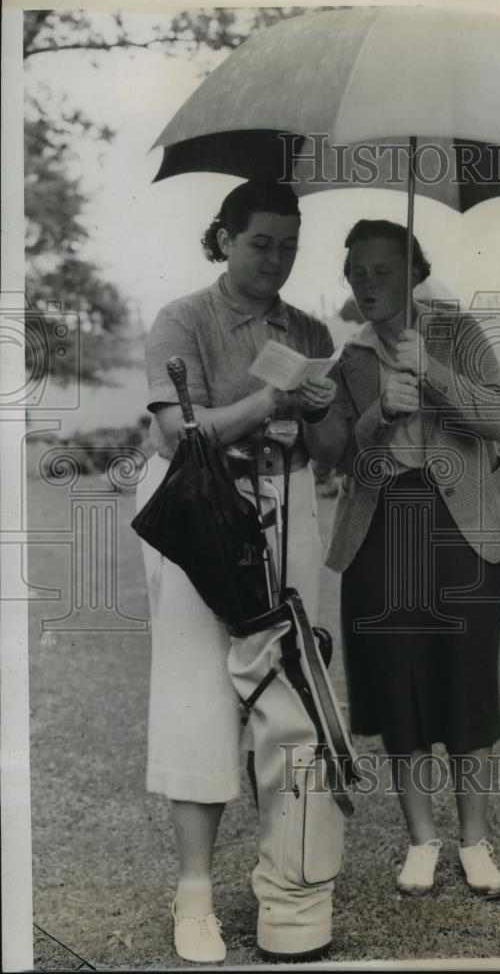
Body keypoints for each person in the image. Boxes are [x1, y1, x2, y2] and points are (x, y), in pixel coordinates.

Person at [134, 181, 338, 963]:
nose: (276, 259)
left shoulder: (308, 327)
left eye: (289, 243)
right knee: (197, 692)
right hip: (196, 507)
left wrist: (323, 411)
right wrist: (271, 396)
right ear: (223, 238)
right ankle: (194, 898)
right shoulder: (182, 318)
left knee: (289, 695)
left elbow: (329, 453)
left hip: (286, 501)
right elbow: (177, 436)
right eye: (261, 242)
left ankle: (287, 895)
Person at [305, 219, 500, 900]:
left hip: (460, 531)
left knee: (464, 682)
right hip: (381, 533)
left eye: (382, 271)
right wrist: (378, 416)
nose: (367, 284)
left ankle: (474, 841)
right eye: (356, 272)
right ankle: (421, 840)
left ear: (413, 272)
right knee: (396, 688)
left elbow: (498, 418)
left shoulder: (459, 335)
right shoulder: (349, 362)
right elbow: (338, 458)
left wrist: (426, 370)